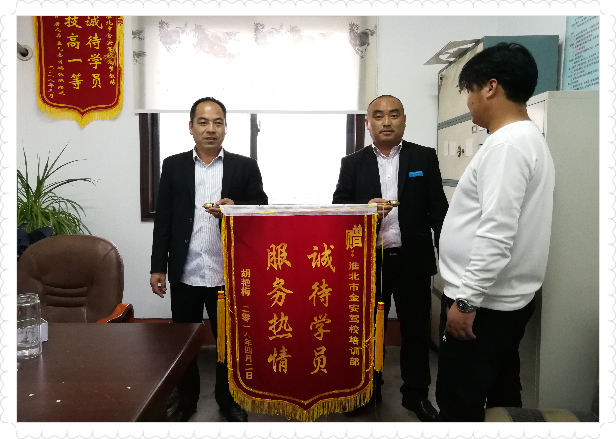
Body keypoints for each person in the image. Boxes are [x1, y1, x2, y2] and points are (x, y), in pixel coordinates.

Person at [436, 43, 555, 422]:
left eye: (469, 90)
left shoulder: (507, 145)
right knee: (503, 393)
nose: (468, 102)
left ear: (490, 87)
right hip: (502, 301)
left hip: (483, 307)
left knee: (459, 402)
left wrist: (466, 303)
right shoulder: (526, 138)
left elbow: (496, 233)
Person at [150, 97, 268, 422]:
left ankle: (228, 400)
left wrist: (235, 208)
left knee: (228, 343)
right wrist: (158, 266)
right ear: (191, 127)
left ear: (226, 127)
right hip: (186, 272)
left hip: (226, 273)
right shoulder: (173, 166)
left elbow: (261, 207)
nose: (210, 129)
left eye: (217, 122)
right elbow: (164, 219)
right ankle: (186, 401)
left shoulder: (244, 166)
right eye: (203, 122)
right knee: (185, 343)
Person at [332, 95, 448, 422]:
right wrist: (366, 210)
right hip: (370, 263)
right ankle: (368, 389)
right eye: (379, 116)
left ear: (404, 120)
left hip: (413, 260)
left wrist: (450, 260)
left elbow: (438, 211)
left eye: (394, 115)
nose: (386, 122)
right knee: (368, 330)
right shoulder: (352, 163)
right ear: (367, 122)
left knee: (416, 331)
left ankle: (416, 395)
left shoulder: (423, 157)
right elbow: (339, 209)